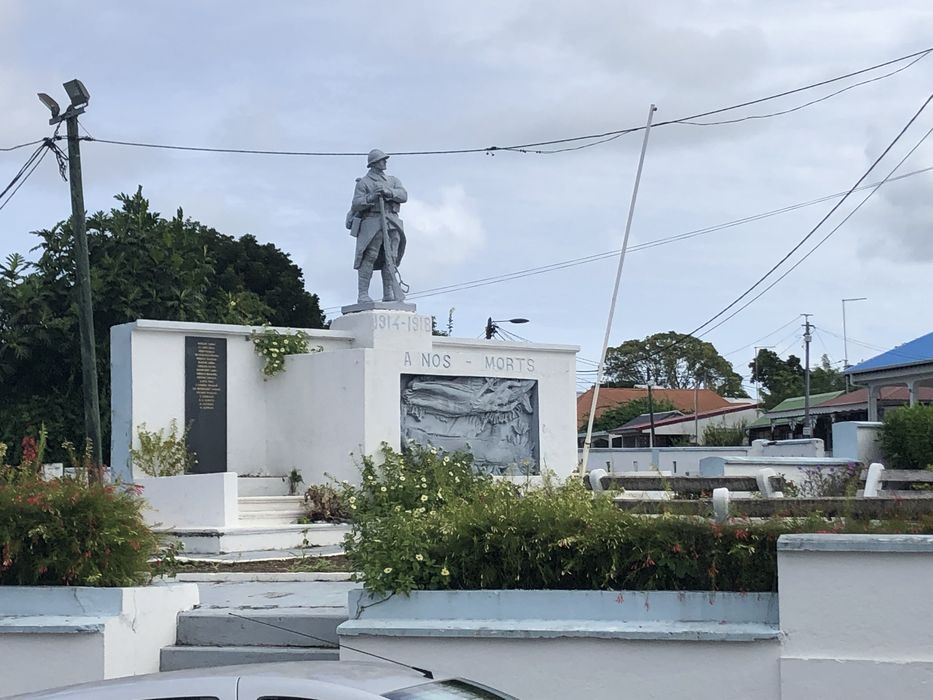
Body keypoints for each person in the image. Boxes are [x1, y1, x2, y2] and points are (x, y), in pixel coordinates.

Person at [346, 149, 408, 303]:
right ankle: (363, 294)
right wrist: (372, 197)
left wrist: (388, 192)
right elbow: (356, 203)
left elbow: (403, 195)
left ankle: (389, 293)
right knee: (369, 257)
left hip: (391, 222)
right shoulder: (364, 183)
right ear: (374, 163)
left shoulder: (393, 180)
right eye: (382, 160)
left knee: (391, 258)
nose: (385, 162)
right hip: (372, 222)